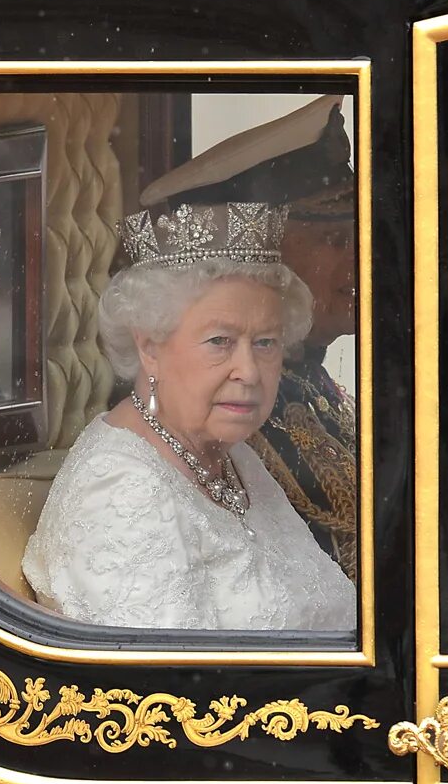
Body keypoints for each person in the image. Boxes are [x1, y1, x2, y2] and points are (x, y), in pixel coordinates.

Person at [21, 201, 356, 632]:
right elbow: (162, 673)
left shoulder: (234, 458)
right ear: (149, 346)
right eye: (219, 341)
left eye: (265, 343)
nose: (249, 371)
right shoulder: (123, 493)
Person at [139, 98, 360, 576]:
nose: (360, 260)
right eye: (335, 241)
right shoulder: (231, 411)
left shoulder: (310, 382)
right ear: (265, 265)